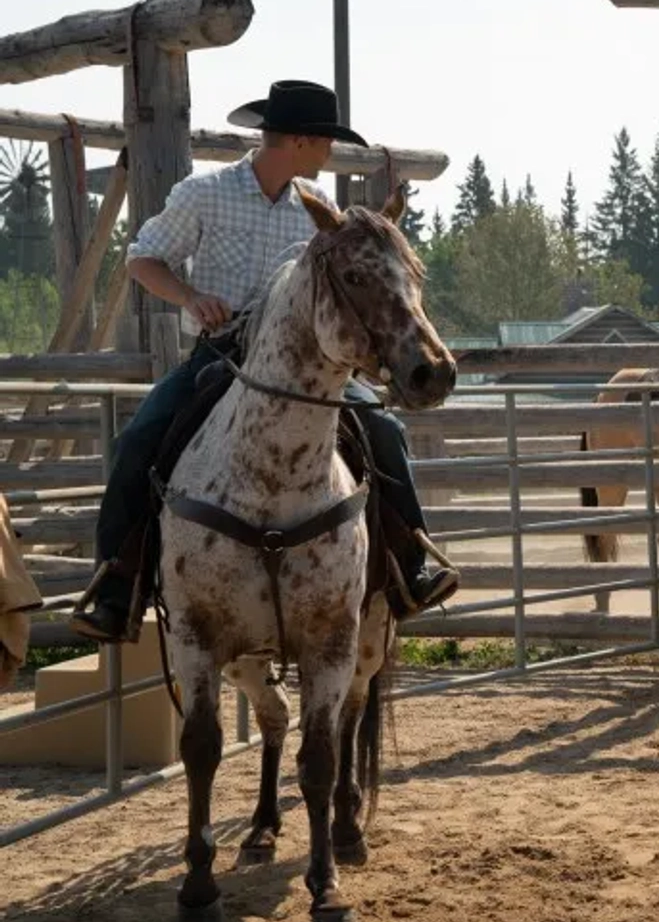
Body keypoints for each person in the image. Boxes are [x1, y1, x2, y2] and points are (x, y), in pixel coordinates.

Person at [69, 80, 459, 643]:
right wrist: (189, 298)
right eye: (325, 142)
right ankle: (115, 586)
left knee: (383, 428)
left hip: (306, 366)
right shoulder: (204, 194)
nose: (329, 154)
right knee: (140, 439)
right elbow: (142, 259)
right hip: (221, 355)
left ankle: (410, 563)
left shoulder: (319, 215)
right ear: (300, 141)